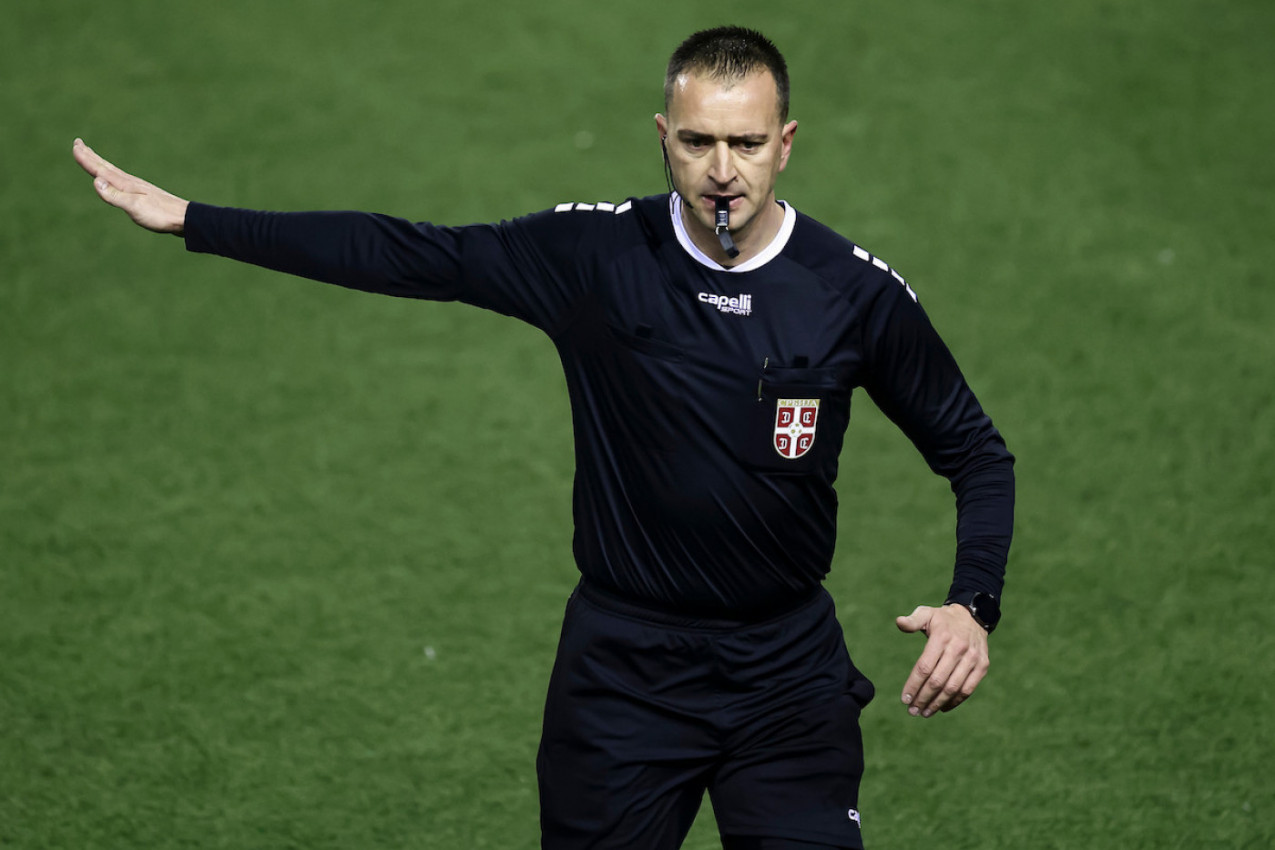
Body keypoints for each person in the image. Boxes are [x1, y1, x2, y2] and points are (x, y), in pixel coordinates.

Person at [73, 26, 1014, 850]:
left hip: (784, 676)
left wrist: (971, 604)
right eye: (697, 142)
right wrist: (197, 220)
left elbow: (974, 454)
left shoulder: (852, 293)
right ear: (662, 137)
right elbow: (414, 254)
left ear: (786, 143)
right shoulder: (595, 257)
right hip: (624, 675)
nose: (722, 170)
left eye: (746, 142)